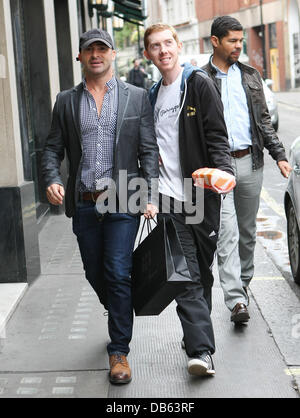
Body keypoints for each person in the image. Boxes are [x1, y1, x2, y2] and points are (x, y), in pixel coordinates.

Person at [42, 28, 159, 385]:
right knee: (96, 272)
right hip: (84, 202)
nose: (96, 54)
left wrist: (150, 195)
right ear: (79, 57)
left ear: (111, 54)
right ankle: (119, 307)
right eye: (89, 49)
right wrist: (52, 179)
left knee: (117, 272)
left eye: (102, 48)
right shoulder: (65, 101)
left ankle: (119, 351)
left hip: (123, 199)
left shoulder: (136, 97)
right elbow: (52, 149)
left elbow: (148, 150)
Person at [144, 23, 233, 376]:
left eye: (168, 43)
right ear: (148, 54)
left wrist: (224, 173)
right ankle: (201, 351)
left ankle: (198, 331)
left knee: (203, 271)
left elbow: (216, 135)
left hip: (201, 197)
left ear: (179, 46)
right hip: (168, 200)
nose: (163, 50)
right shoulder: (151, 95)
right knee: (186, 276)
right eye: (155, 45)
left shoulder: (197, 84)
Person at [202, 16, 292, 323]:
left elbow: (263, 121)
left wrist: (278, 154)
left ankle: (244, 282)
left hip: (250, 162)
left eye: (241, 41)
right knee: (226, 234)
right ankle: (237, 300)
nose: (239, 46)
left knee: (247, 233)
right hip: (218, 168)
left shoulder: (251, 75)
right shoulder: (200, 79)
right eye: (233, 41)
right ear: (215, 41)